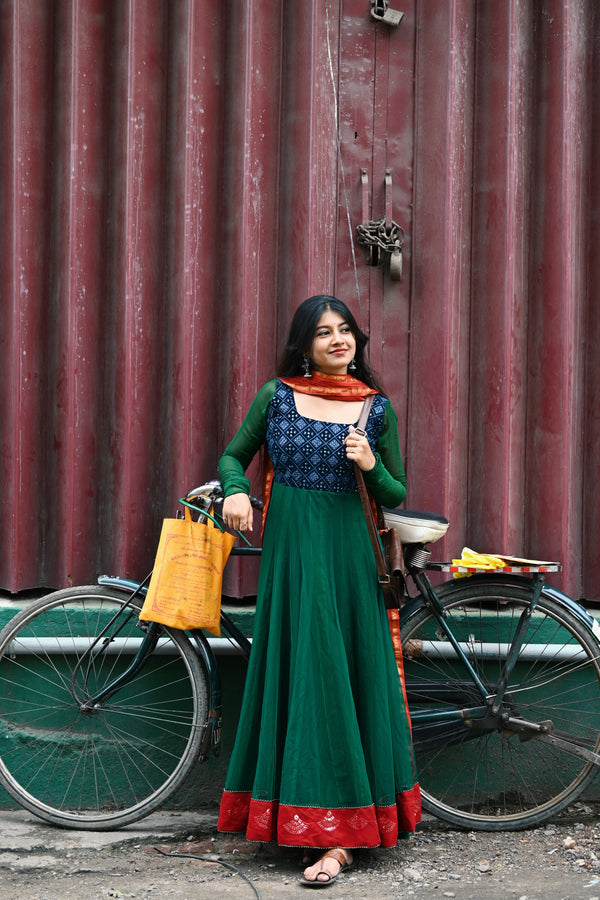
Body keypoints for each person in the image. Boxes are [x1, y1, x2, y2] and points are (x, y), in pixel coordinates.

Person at [216, 294, 420, 887]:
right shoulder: (277, 397)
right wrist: (234, 489)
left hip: (350, 567)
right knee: (300, 677)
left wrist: (369, 465)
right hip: (291, 566)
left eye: (346, 330)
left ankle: (340, 839)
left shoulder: (375, 411)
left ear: (357, 340)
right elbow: (235, 457)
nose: (338, 339)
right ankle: (292, 819)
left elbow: (396, 493)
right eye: (323, 332)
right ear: (303, 346)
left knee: (337, 678)